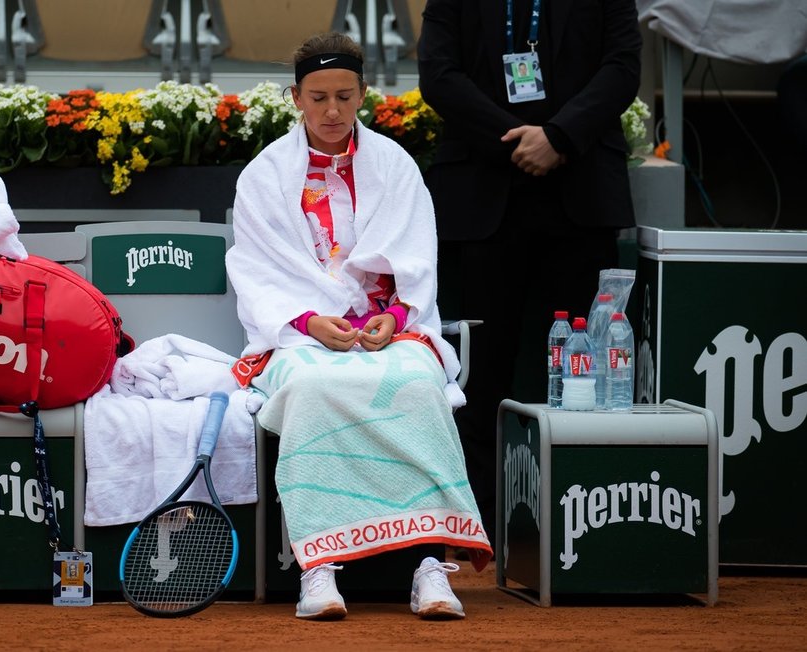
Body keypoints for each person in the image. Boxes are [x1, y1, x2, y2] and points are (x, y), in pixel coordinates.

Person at [226, 31, 493, 621]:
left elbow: (416, 264)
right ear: (295, 96)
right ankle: (318, 568)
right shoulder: (264, 175)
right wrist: (307, 322)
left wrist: (392, 319)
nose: (331, 111)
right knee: (314, 387)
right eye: (318, 96)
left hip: (390, 333)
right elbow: (253, 271)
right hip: (299, 337)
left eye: (345, 96)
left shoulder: (395, 166)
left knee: (419, 386)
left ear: (364, 93)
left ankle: (427, 563)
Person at [417, 0, 642, 544]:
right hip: (482, 196)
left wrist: (560, 137)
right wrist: (520, 137)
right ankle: (472, 525)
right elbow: (439, 76)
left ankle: (583, 524)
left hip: (580, 194)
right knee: (475, 374)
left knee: (585, 371)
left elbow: (622, 70)